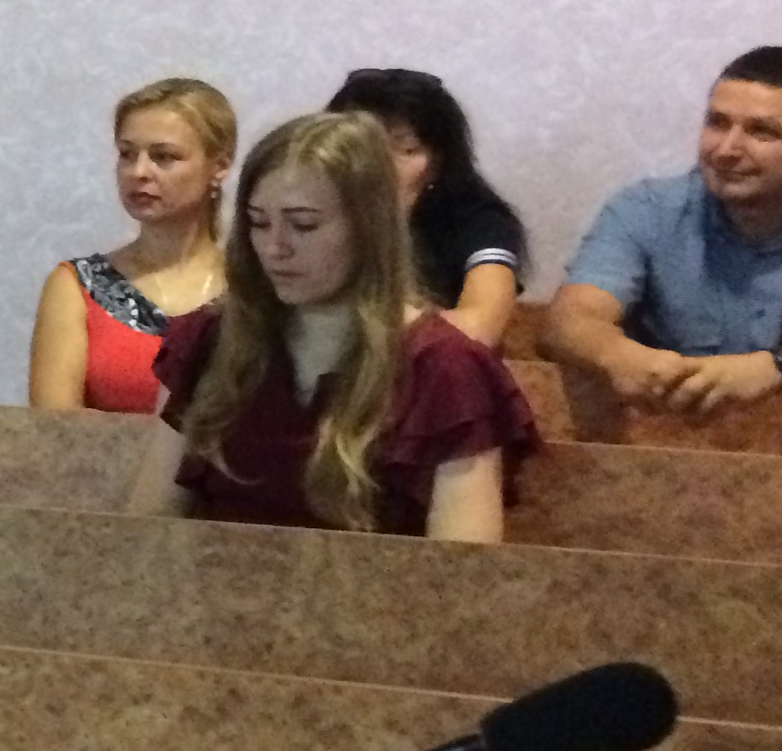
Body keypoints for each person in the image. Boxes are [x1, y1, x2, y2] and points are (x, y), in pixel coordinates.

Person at [135, 110, 536, 540]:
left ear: (368, 229)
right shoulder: (208, 339)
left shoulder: (446, 367)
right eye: (258, 222)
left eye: (303, 225)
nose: (274, 248)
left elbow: (461, 566)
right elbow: (149, 526)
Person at [543, 46, 782, 416]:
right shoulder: (646, 209)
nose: (727, 149)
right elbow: (571, 317)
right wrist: (619, 356)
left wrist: (779, 368)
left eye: (762, 131)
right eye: (717, 123)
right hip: (671, 435)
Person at [29, 77, 236, 411]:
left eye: (164, 156)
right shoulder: (79, 286)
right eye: (127, 154)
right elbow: (53, 431)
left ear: (220, 166)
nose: (138, 171)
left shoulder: (254, 286)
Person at [323, 67, 529, 347]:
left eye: (406, 150)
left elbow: (480, 328)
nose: (381, 165)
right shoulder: (304, 211)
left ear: (438, 163)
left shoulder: (478, 220)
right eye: (363, 148)